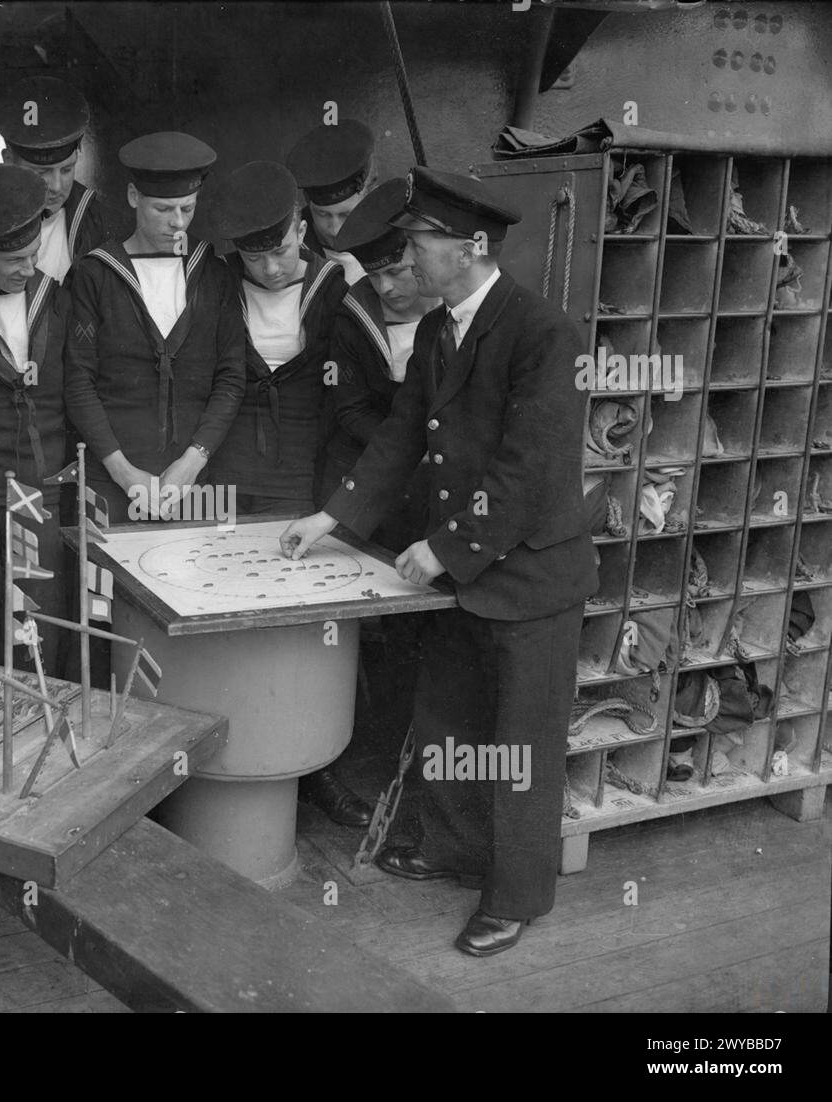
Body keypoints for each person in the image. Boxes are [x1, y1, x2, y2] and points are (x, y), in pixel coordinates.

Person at [281, 166, 598, 957]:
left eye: (420, 245)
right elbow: (399, 438)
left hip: (527, 577)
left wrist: (445, 547)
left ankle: (517, 894)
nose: (408, 261)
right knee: (450, 719)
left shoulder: (542, 334)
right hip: (462, 577)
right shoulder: (435, 331)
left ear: (473, 247)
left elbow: (529, 470)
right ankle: (453, 849)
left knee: (520, 740)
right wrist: (334, 514)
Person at [207, 160, 367, 827]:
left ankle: (318, 771)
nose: (270, 268)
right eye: (253, 255)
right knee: (223, 616)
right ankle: (223, 763)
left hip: (306, 469)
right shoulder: (214, 285)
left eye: (278, 250)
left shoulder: (338, 284)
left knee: (308, 629)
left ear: (302, 227)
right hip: (228, 467)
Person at [63, 131, 246, 526]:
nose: (177, 223)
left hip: (194, 479)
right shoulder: (94, 274)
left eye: (187, 208)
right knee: (106, 586)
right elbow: (78, 382)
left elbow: (231, 377)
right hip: (111, 481)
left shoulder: (214, 274)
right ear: (133, 197)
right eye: (163, 209)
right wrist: (124, 473)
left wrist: (193, 462)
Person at [0, 163, 69, 667]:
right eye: (13, 260)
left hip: (44, 490)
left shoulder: (55, 298)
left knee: (42, 627)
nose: (28, 269)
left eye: (34, 254)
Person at [320, 177, 440, 548]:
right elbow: (351, 409)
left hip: (439, 479)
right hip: (363, 474)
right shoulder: (353, 314)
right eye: (373, 275)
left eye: (395, 271)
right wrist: (408, 451)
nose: (385, 288)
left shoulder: (454, 311)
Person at [0, 75, 122, 283]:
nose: (55, 187)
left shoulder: (102, 224)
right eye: (41, 173)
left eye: (66, 170)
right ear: (8, 160)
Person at [285, 118, 375, 286]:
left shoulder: (399, 233)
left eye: (345, 215)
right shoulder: (292, 253)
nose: (335, 230)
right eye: (323, 214)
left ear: (368, 197)